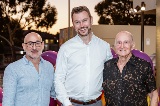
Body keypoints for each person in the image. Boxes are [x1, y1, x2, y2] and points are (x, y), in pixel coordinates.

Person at [54, 6, 112, 106]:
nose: (81, 25)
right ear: (73, 25)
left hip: (96, 103)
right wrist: (67, 103)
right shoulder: (65, 48)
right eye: (77, 22)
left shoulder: (104, 47)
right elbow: (59, 78)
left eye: (84, 20)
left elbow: (110, 74)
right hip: (71, 103)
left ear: (91, 20)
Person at [103, 31, 158, 106]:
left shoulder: (143, 66)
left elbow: (153, 94)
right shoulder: (107, 66)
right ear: (115, 46)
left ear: (132, 45)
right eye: (119, 42)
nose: (122, 46)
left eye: (126, 42)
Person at [2, 32, 56, 106]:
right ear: (24, 46)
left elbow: (55, 92)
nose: (34, 47)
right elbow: (8, 102)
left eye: (37, 43)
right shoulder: (12, 69)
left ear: (42, 45)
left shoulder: (49, 67)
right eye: (30, 44)